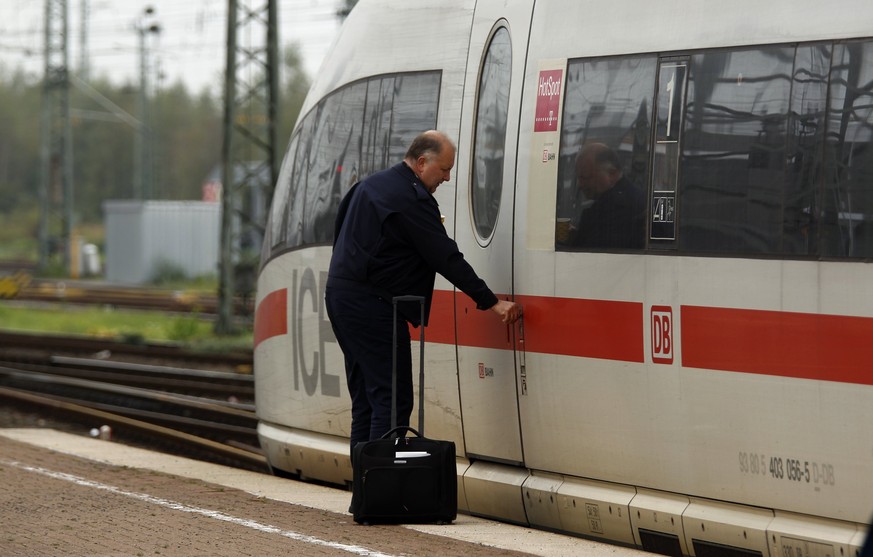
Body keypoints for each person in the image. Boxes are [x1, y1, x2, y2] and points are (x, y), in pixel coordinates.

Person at [325, 130, 521, 455]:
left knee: (366, 401)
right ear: (421, 162)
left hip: (341, 298)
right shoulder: (410, 199)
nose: (447, 177)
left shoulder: (368, 187)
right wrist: (491, 302)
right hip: (374, 307)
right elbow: (445, 256)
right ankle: (380, 497)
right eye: (444, 169)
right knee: (392, 401)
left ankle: (365, 497)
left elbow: (340, 236)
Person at [568, 142, 646, 249]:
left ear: (611, 174)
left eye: (586, 177)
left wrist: (575, 239)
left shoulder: (608, 212)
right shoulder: (637, 197)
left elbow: (589, 251)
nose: (580, 185)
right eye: (578, 178)